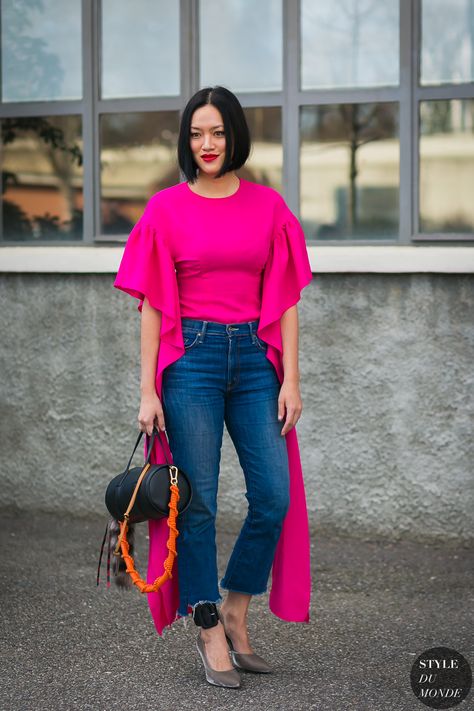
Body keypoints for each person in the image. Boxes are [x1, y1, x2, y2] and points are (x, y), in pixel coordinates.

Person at [113, 85, 313, 689]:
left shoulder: (269, 207)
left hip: (255, 362)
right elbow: (151, 304)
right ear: (186, 139)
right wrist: (148, 389)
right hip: (192, 362)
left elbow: (287, 300)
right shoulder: (165, 209)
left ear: (235, 137)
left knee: (272, 496)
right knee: (195, 505)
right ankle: (207, 628)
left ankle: (236, 608)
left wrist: (292, 378)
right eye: (198, 133)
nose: (208, 144)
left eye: (219, 132)